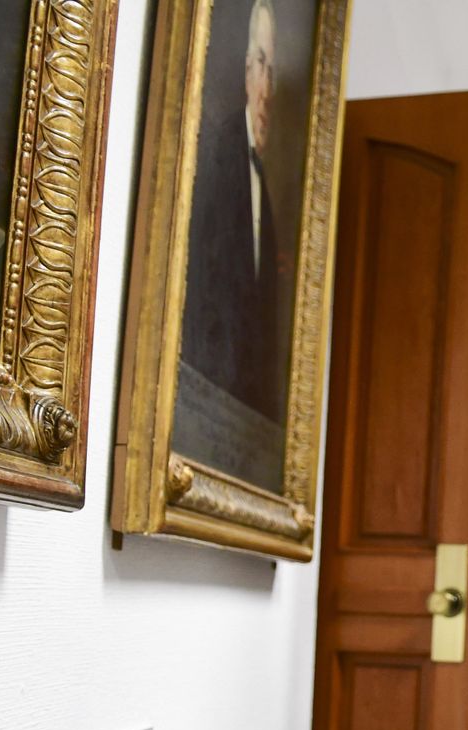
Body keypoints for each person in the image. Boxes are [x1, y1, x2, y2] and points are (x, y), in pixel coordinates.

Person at [181, 0, 288, 427]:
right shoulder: (215, 154)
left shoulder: (266, 196)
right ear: (247, 73)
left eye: (275, 73)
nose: (267, 90)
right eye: (260, 66)